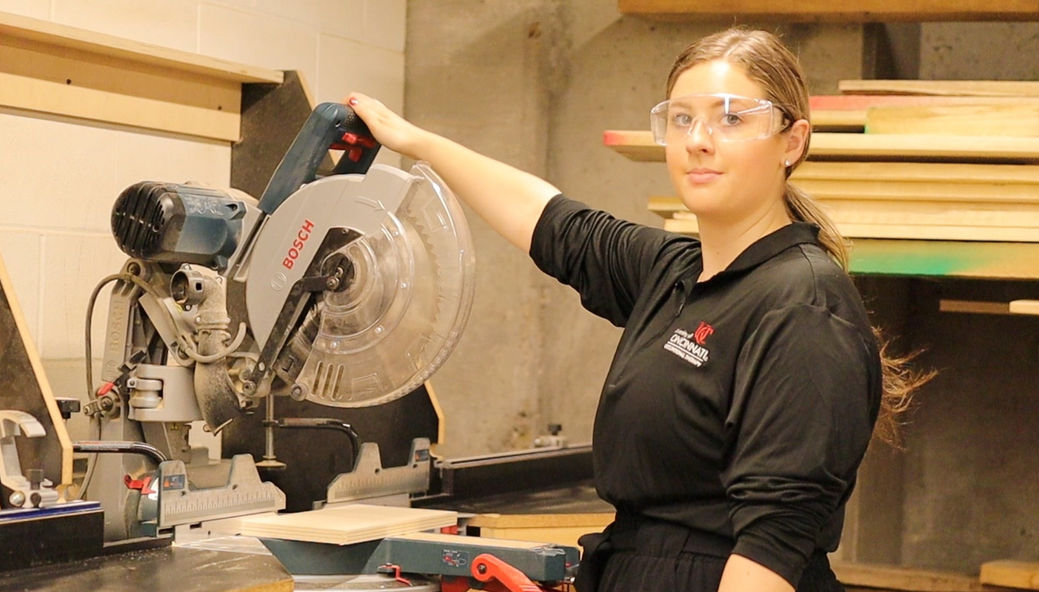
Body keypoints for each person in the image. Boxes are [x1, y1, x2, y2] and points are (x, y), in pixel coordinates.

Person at [347, 27, 925, 592]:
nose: (699, 139)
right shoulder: (675, 271)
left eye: (731, 118)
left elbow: (773, 546)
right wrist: (414, 141)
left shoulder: (804, 304)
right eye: (682, 117)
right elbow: (552, 222)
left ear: (791, 142)